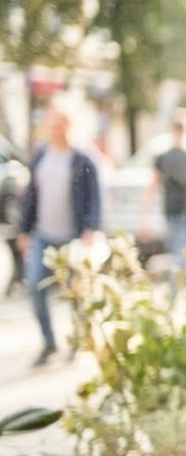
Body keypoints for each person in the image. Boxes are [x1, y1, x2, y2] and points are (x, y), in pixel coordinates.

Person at [16, 108, 101, 367]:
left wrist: (90, 228)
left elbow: (93, 197)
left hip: (72, 238)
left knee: (76, 293)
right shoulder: (41, 155)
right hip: (43, 235)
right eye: (51, 125)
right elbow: (31, 195)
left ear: (69, 126)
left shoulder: (81, 158)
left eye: (60, 125)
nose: (55, 130)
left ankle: (77, 340)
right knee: (34, 286)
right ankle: (49, 342)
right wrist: (23, 229)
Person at [139, 111, 186, 284]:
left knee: (183, 253)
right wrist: (144, 218)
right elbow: (153, 187)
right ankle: (182, 290)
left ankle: (180, 290)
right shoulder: (167, 158)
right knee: (183, 253)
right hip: (178, 212)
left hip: (185, 212)